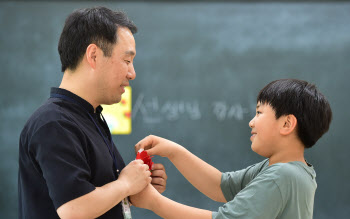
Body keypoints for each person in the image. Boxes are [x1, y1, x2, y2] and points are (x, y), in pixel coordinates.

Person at [18, 7, 167, 219]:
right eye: (127, 61)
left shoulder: (91, 117)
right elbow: (74, 210)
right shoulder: (54, 123)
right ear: (94, 55)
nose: (132, 73)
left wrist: (137, 188)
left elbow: (99, 195)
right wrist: (125, 184)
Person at [129, 79, 332, 219]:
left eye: (259, 113)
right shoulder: (283, 169)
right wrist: (173, 151)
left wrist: (153, 201)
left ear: (287, 124)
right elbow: (221, 185)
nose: (251, 122)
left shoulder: (281, 176)